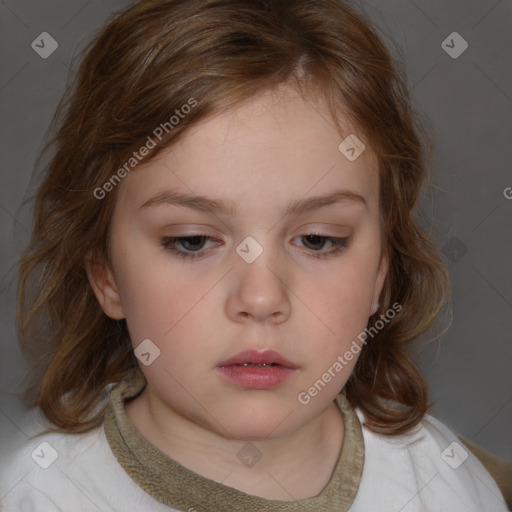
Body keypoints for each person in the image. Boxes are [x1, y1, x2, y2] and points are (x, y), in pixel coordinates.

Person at [0, 0, 509, 510]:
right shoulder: (37, 494)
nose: (262, 298)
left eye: (317, 240)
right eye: (192, 241)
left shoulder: (448, 487)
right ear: (106, 274)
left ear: (381, 271)